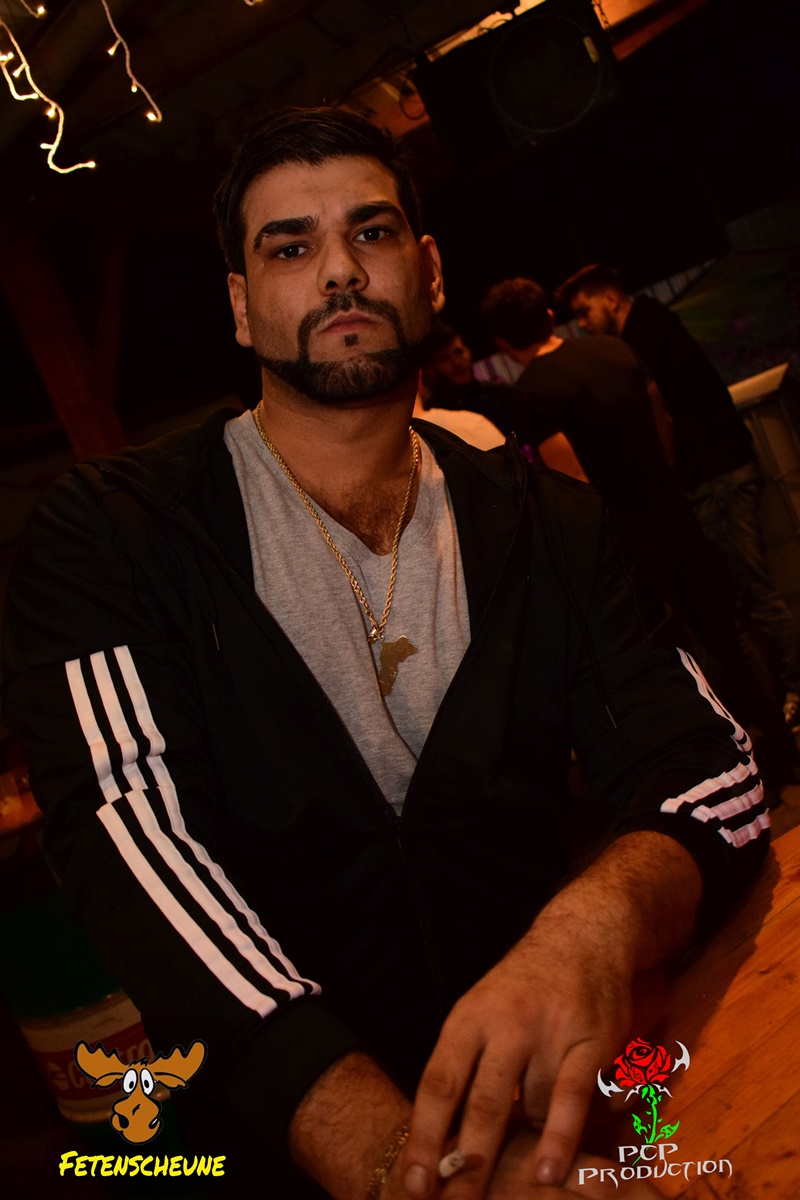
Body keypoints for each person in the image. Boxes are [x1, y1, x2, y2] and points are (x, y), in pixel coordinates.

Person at [1, 110, 769, 1200]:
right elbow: (135, 846)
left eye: (370, 232)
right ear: (240, 307)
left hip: (551, 1106)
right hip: (286, 1151)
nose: (339, 272)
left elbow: (709, 767)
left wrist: (591, 925)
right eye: (290, 246)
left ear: (429, 271)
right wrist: (393, 1158)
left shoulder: (547, 525)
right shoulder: (120, 535)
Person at [481, 276, 798, 788]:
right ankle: (783, 750)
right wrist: (663, 484)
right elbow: (662, 419)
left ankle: (740, 767)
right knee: (730, 630)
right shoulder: (613, 349)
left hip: (628, 542)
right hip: (675, 513)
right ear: (549, 317)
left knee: (683, 654)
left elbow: (575, 482)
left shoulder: (533, 394)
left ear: (502, 343)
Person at [556, 263, 800, 725]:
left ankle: (795, 689)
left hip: (715, 475)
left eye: (585, 310)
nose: (583, 323)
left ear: (611, 299)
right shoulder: (656, 327)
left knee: (751, 592)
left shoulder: (644, 339)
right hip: (723, 467)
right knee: (743, 595)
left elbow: (666, 416)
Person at [421, 321, 513, 436]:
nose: (456, 362)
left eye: (459, 352)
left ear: (468, 351)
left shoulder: (501, 394)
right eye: (444, 358)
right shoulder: (433, 414)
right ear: (433, 367)